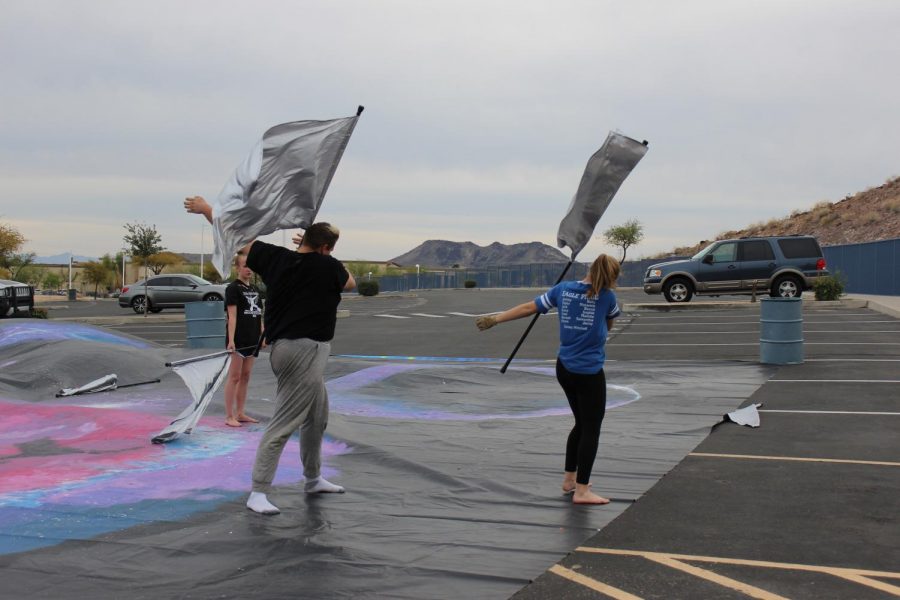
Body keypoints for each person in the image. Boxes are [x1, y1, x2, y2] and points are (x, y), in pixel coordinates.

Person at [184, 196, 356, 515]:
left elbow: (236, 236)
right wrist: (323, 253)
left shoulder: (277, 258)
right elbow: (350, 282)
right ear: (327, 248)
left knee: (317, 417)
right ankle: (258, 491)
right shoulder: (330, 267)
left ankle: (313, 477)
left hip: (288, 349)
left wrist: (208, 211)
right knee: (284, 421)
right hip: (304, 351)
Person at [476, 254, 621, 505]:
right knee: (591, 428)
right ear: (612, 276)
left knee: (581, 423)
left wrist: (495, 319)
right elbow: (608, 326)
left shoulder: (562, 290)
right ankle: (582, 491)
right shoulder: (607, 297)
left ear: (589, 268)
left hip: (564, 368)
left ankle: (569, 480)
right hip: (588, 372)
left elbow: (529, 308)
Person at [223, 253, 263, 428]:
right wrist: (231, 340)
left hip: (253, 337)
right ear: (237, 268)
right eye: (245, 265)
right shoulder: (233, 288)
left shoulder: (255, 289)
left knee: (246, 376)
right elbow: (231, 316)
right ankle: (229, 415)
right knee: (235, 376)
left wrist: (262, 335)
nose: (249, 269)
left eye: (251, 266)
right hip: (238, 338)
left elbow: (259, 314)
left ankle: (240, 412)